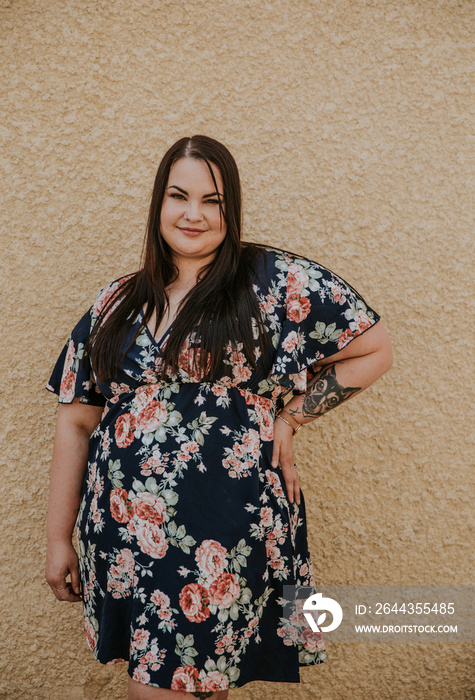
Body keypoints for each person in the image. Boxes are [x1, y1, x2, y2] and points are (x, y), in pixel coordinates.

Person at [45, 135, 393, 700]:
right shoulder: (119, 302)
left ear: (230, 210)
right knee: (195, 688)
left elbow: (373, 350)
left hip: (228, 532)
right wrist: (58, 537)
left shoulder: (271, 281)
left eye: (213, 201)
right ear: (158, 202)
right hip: (128, 536)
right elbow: (76, 421)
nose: (193, 214)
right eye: (179, 196)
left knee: (166, 689)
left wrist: (291, 419)